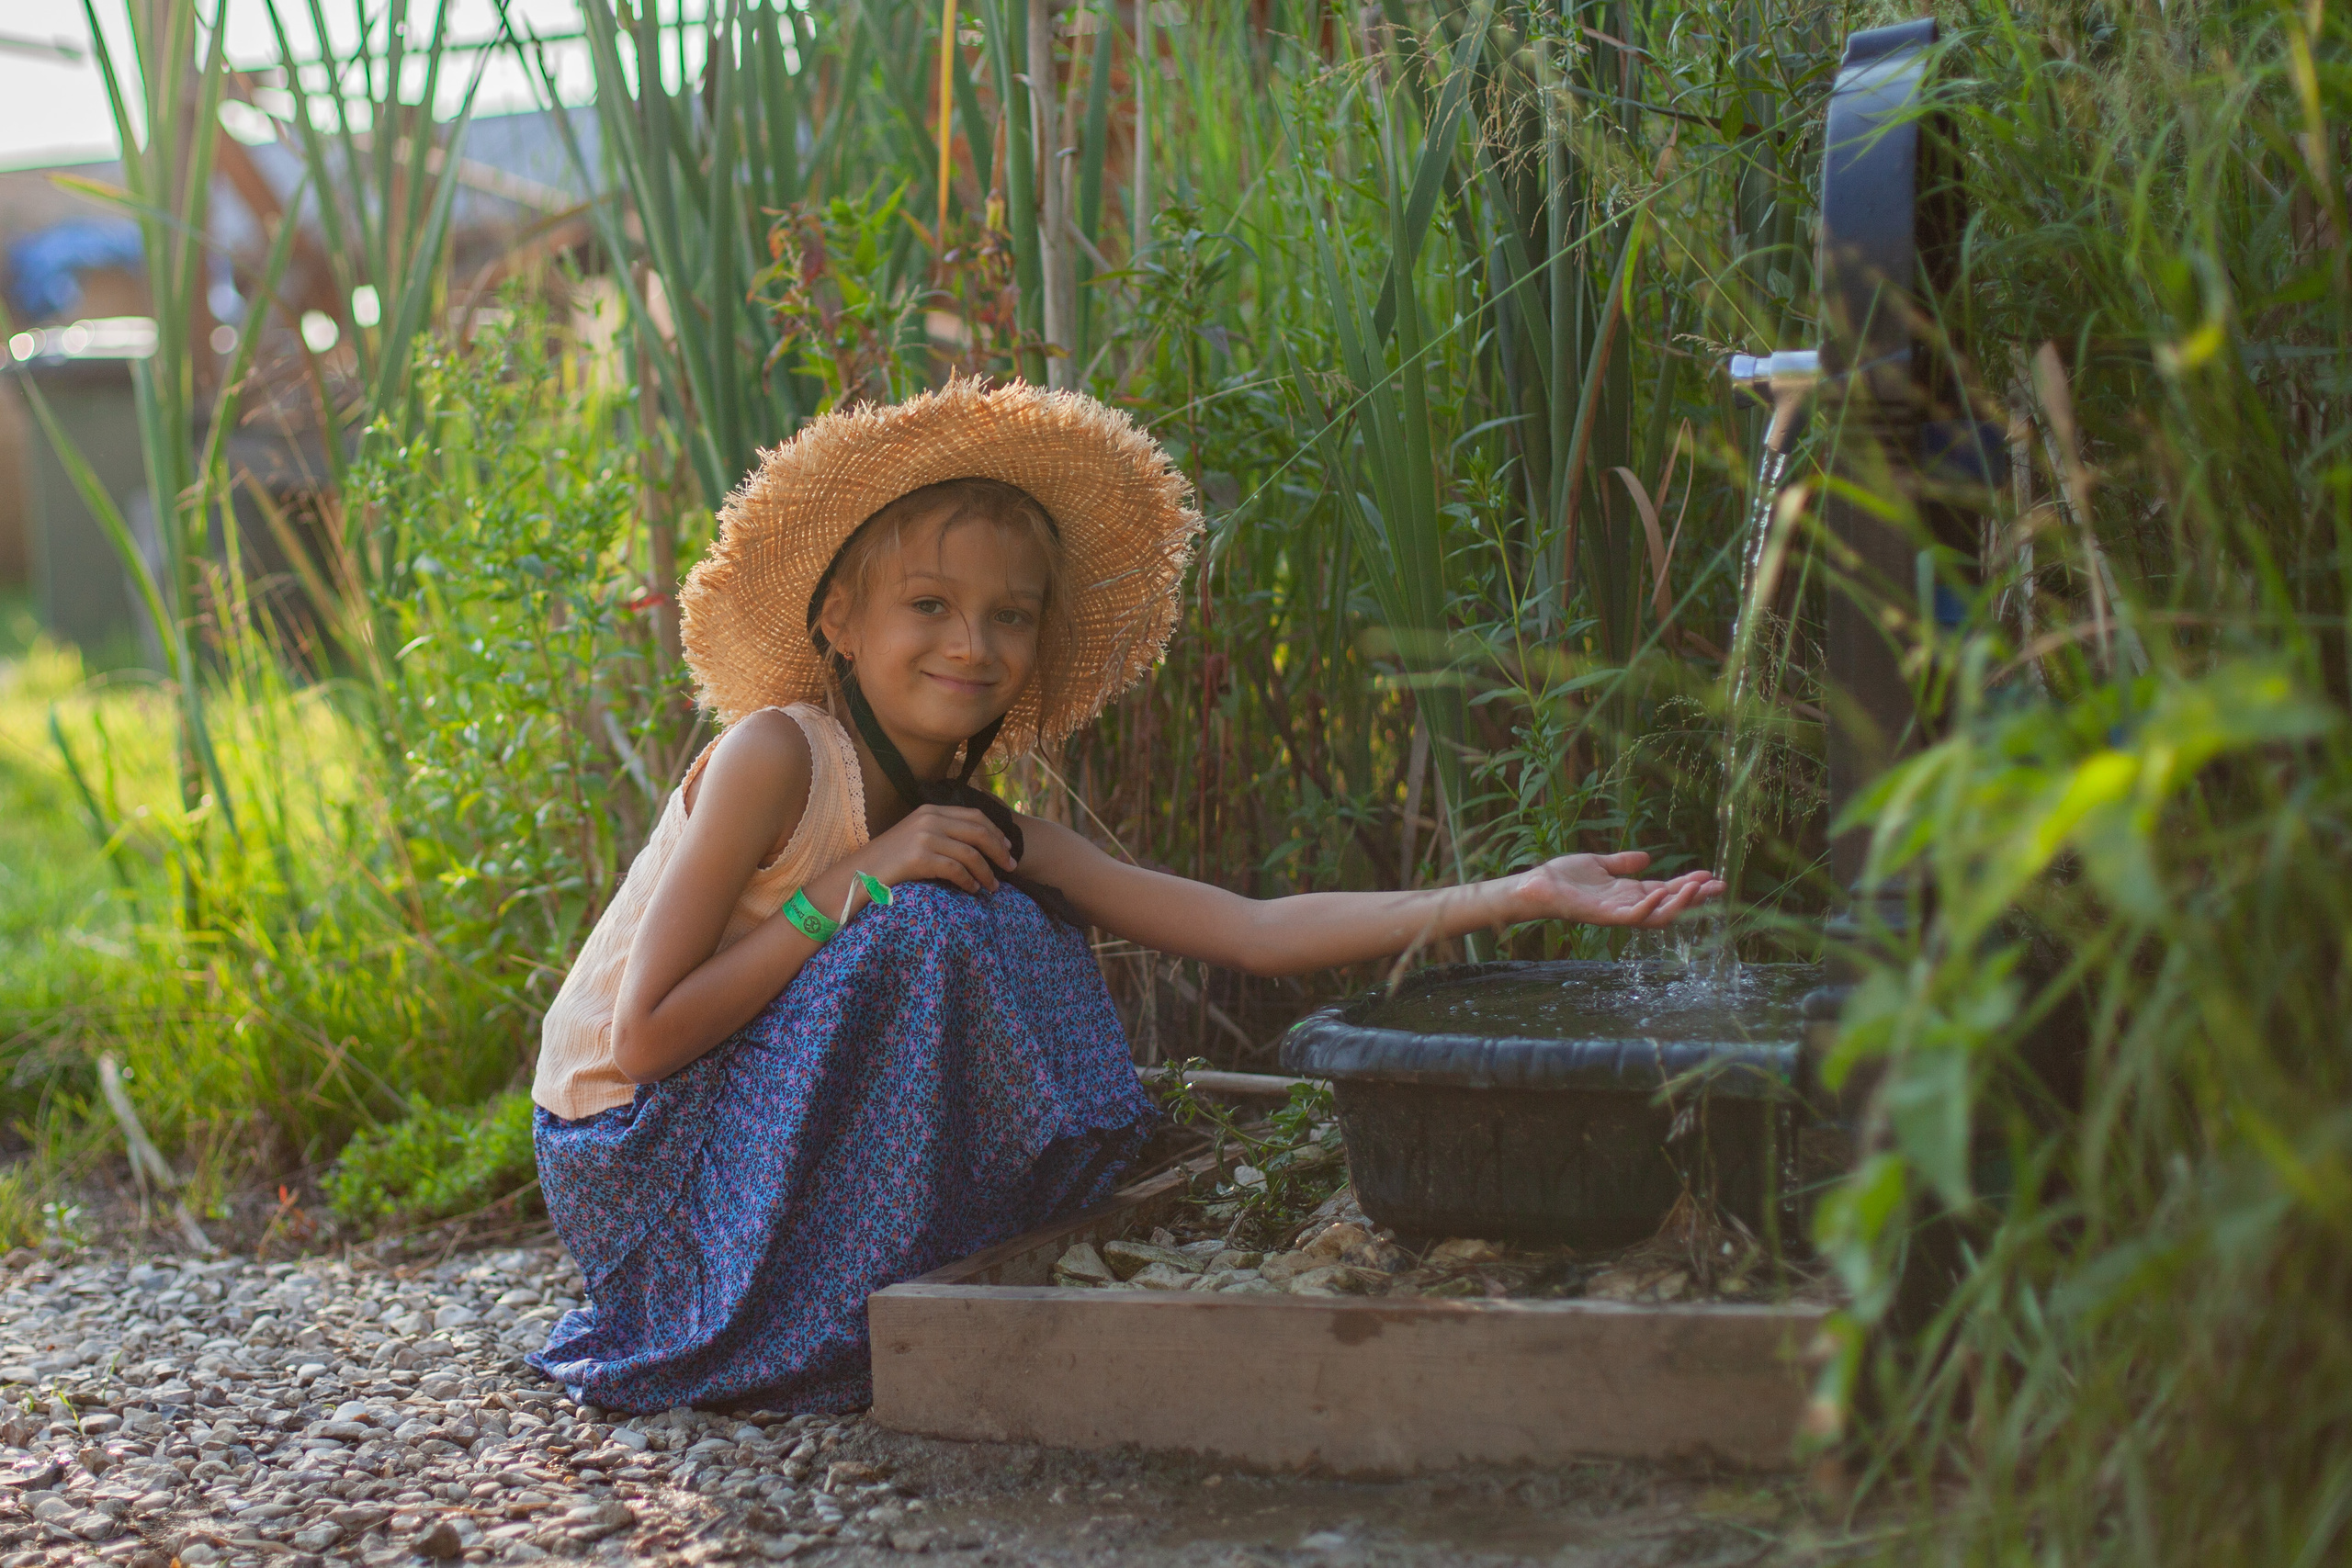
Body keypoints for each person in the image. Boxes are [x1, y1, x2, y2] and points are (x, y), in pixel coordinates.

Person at [526, 378, 1723, 1414]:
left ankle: (876, 1300)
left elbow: (1248, 934)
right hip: (635, 1155)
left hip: (743, 1119)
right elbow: (646, 1035)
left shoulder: (985, 824)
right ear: (840, 618)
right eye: (929, 606)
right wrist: (845, 884)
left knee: (994, 904)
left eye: (1011, 616)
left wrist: (1519, 890)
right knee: (935, 922)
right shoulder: (775, 759)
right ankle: (769, 1316)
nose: (972, 644)